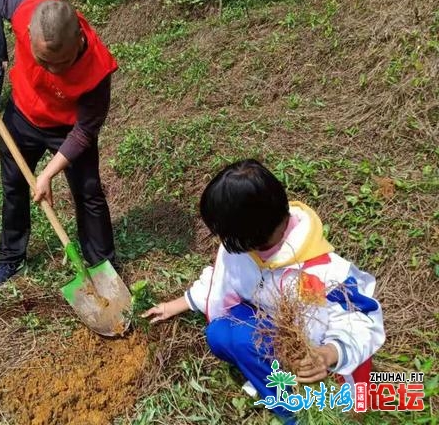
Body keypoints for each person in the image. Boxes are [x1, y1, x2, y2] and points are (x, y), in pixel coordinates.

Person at [143, 159, 385, 424]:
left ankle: (299, 413)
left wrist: (328, 354)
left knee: (244, 339)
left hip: (317, 359)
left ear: (249, 235)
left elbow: (362, 320)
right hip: (274, 332)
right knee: (220, 333)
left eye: (226, 234)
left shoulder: (325, 272)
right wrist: (179, 303)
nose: (222, 242)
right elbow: (224, 280)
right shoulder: (242, 249)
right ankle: (277, 389)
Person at [0, 0, 117, 288]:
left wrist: (48, 174)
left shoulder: (98, 69)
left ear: (78, 38)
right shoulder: (27, 6)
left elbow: (85, 131)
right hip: (22, 115)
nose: (49, 69)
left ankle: (102, 266)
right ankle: (11, 258)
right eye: (42, 60)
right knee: (14, 188)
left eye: (58, 63)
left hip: (69, 127)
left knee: (89, 193)